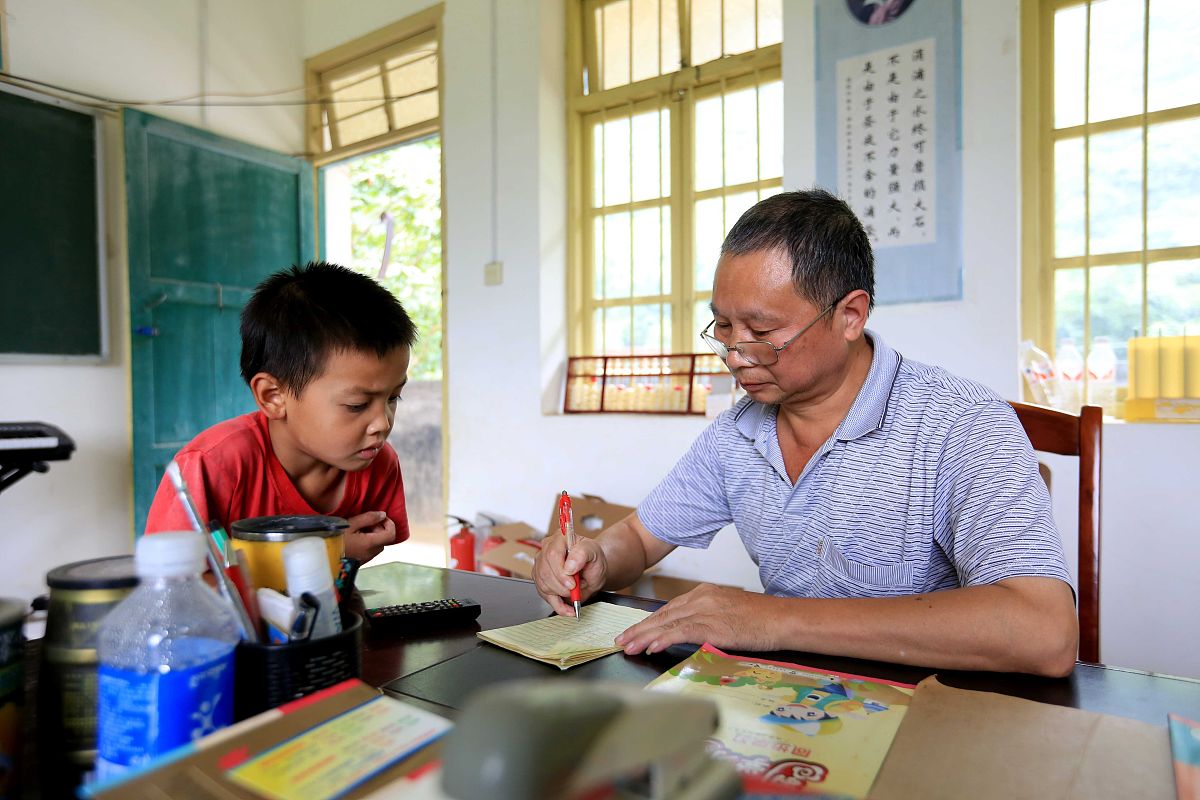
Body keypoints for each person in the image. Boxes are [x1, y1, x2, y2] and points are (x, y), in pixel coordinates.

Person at [534, 190, 1079, 677]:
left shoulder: (960, 423)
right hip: (787, 709)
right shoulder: (738, 434)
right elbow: (637, 537)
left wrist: (774, 619)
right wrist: (595, 559)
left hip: (932, 714)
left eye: (763, 331)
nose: (735, 353)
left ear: (850, 315)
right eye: (723, 326)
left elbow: (1043, 632)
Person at [144, 261, 417, 565]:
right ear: (273, 396)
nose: (383, 423)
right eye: (357, 405)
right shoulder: (211, 467)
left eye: (394, 397)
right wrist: (329, 552)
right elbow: (171, 585)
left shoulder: (377, 463)